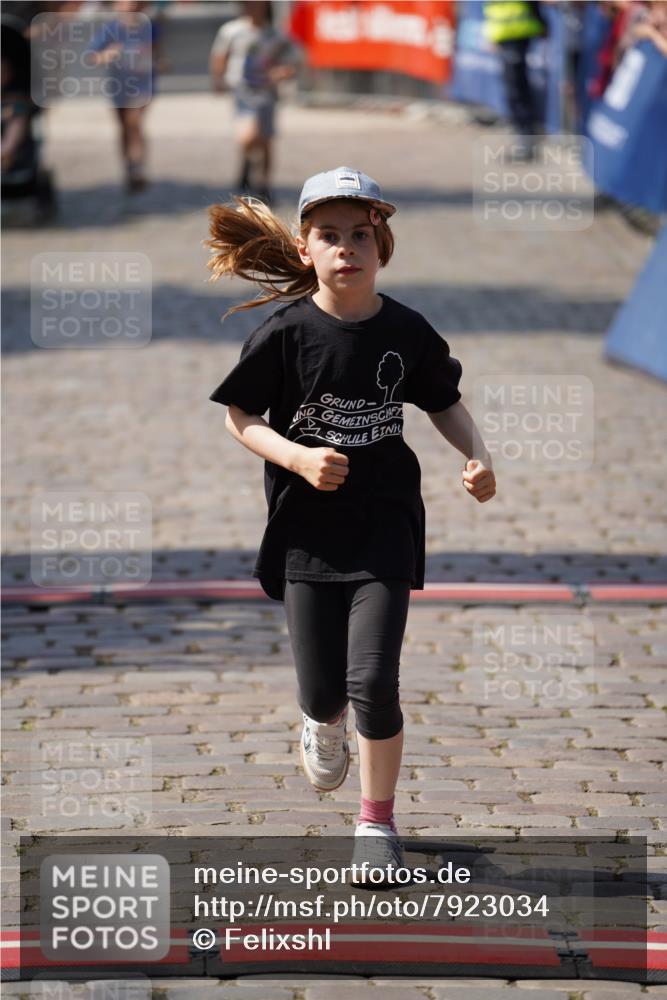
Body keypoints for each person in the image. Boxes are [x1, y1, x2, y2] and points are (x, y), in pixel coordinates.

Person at [205, 167, 497, 881]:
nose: (347, 248)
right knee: (324, 691)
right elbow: (240, 418)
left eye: (359, 235)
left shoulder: (406, 330)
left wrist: (478, 454)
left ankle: (376, 822)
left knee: (372, 680)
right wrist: (298, 460)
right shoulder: (286, 334)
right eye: (329, 236)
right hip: (304, 531)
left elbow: (443, 402)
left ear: (381, 244)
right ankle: (318, 721)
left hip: (385, 526)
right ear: (305, 249)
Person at [209, 0, 298, 205]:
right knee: (247, 137)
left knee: (265, 139)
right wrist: (218, 79)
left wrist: (282, 72)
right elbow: (220, 55)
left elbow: (293, 60)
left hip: (266, 93)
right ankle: (247, 162)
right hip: (242, 92)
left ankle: (264, 184)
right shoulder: (232, 31)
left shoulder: (275, 35)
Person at [87, 0, 160, 193]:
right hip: (119, 86)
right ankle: (128, 166)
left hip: (143, 85)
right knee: (123, 127)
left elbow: (156, 52)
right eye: (126, 5)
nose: (130, 9)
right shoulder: (111, 29)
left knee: (133, 122)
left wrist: (158, 62)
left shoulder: (149, 27)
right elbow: (92, 56)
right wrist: (109, 54)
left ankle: (138, 166)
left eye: (135, 5)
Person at [483, 1, 548, 160]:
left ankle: (526, 139)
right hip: (505, 34)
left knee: (516, 88)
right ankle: (523, 135)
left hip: (517, 33)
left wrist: (541, 22)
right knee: (513, 87)